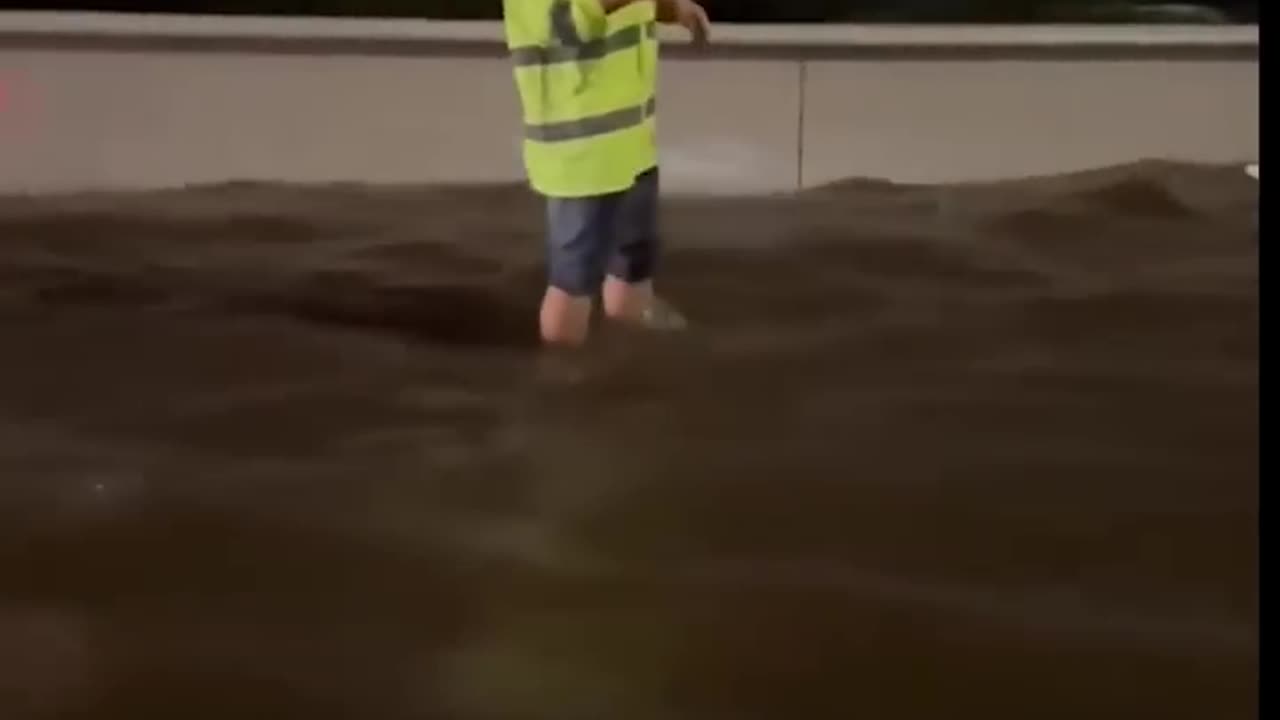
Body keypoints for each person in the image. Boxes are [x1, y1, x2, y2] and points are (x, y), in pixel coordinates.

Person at [503, 0, 712, 346]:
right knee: (572, 282)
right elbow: (580, 13)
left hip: (629, 144)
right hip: (581, 154)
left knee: (632, 262)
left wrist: (670, 9)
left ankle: (634, 338)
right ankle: (563, 377)